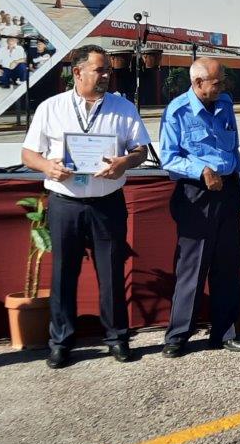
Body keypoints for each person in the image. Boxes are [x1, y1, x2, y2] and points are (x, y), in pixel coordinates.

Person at [21, 44, 150, 369]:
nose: (106, 75)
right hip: (66, 203)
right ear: (77, 73)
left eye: (108, 70)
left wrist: (125, 162)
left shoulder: (123, 108)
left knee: (111, 273)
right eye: (100, 70)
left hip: (107, 203)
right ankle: (61, 342)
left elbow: (141, 151)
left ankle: (117, 338)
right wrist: (47, 168)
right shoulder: (51, 108)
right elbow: (29, 154)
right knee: (64, 274)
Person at [159, 57, 240, 357]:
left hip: (227, 193)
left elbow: (233, 148)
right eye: (217, 82)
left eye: (222, 81)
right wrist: (201, 170)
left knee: (227, 266)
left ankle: (224, 333)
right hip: (196, 195)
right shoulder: (177, 111)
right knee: (193, 267)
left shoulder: (225, 103)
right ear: (198, 83)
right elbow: (169, 157)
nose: (222, 86)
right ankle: (178, 335)